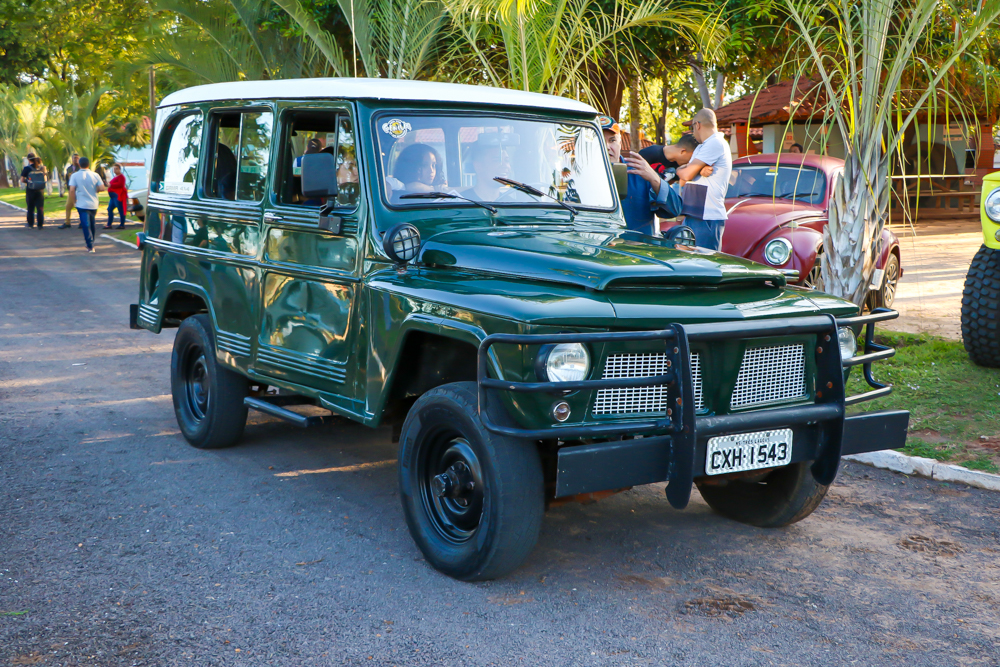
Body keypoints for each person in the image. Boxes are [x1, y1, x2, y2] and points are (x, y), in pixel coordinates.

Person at [602, 116, 681, 236]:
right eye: (602, 141)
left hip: (636, 251)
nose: (607, 147)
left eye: (612, 140)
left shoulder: (640, 173)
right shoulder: (584, 177)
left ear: (620, 142)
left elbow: (674, 210)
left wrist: (654, 178)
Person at [673, 108, 733, 250]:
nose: (693, 132)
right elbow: (684, 176)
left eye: (692, 127)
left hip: (707, 215)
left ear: (697, 125)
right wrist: (691, 170)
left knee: (706, 266)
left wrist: (688, 171)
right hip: (695, 213)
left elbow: (686, 174)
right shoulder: (702, 146)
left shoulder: (715, 143)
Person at [68, 156, 106, 253]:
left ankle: (90, 245)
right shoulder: (95, 175)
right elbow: (102, 188)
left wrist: (73, 201)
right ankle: (91, 241)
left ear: (79, 164)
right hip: (93, 203)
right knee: (92, 223)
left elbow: (72, 190)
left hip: (81, 203)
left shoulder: (74, 176)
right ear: (89, 164)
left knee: (85, 224)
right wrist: (94, 190)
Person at [637, 133, 702, 183]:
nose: (691, 161)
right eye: (692, 157)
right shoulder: (648, 153)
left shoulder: (680, 166)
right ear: (683, 151)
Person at [20, 153, 47, 228]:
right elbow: (45, 179)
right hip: (40, 191)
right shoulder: (42, 168)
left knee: (30, 207)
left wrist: (28, 182)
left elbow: (22, 180)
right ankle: (40, 224)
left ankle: (31, 224)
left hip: (30, 190)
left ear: (28, 159)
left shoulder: (27, 168)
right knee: (40, 207)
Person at [61, 153, 81, 228]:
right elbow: (67, 178)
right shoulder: (69, 168)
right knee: (68, 206)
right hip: (71, 190)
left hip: (79, 190)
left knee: (79, 207)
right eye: (74, 158)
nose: (76, 159)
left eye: (77, 158)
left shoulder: (80, 168)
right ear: (72, 159)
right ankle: (67, 222)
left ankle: (81, 222)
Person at [105, 164, 128, 229]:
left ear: (119, 169)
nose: (115, 170)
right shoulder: (115, 177)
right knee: (109, 209)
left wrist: (111, 185)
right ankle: (109, 224)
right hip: (112, 197)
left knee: (120, 210)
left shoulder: (121, 177)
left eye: (116, 168)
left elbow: (120, 184)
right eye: (114, 168)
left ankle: (122, 224)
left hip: (118, 195)